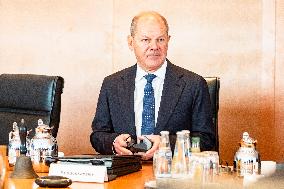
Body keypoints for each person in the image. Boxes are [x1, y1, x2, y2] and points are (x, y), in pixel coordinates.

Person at [90, 11, 215, 160]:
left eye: (160, 39)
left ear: (168, 40)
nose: (154, 46)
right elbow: (98, 135)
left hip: (172, 173)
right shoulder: (112, 84)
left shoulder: (193, 84)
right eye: (145, 40)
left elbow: (207, 139)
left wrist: (167, 143)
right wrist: (113, 142)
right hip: (125, 173)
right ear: (131, 42)